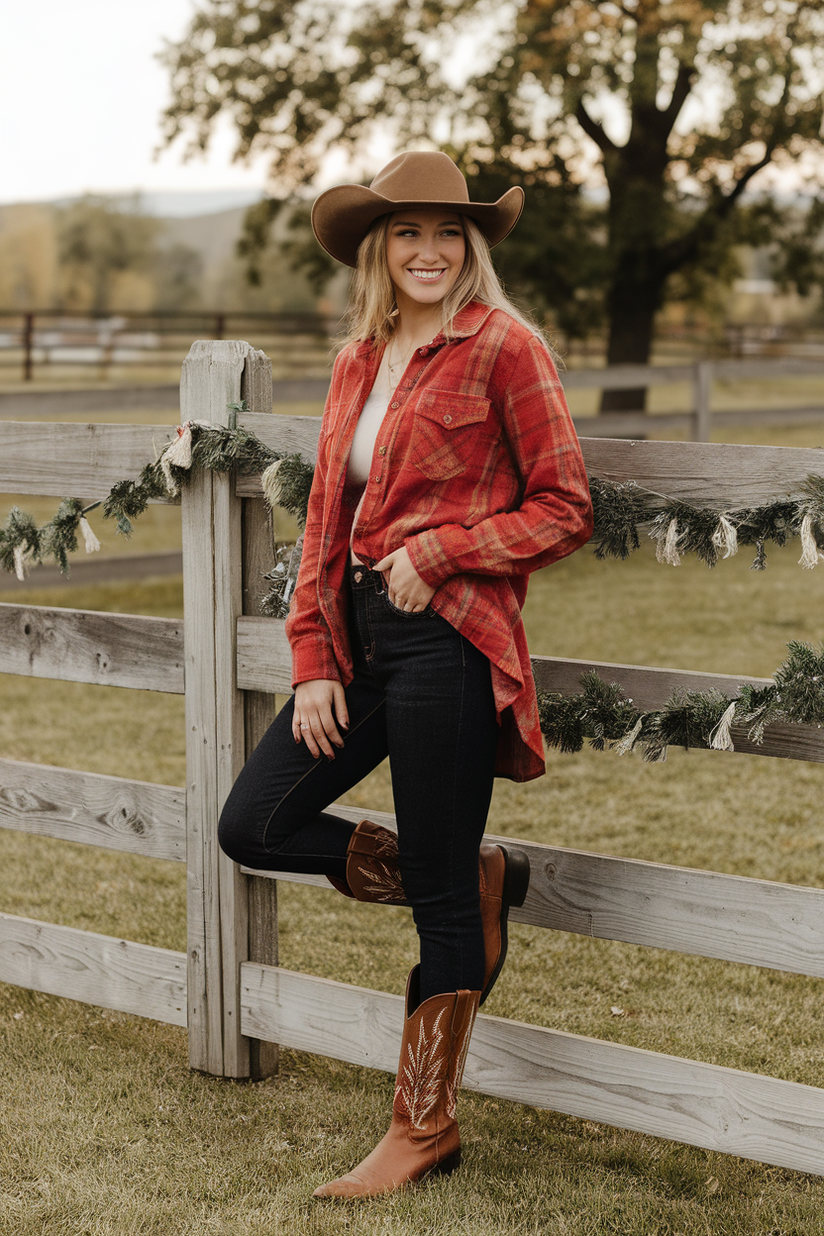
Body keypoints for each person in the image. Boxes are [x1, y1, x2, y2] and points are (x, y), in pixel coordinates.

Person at [218, 150, 593, 1198]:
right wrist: (312, 662)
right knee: (254, 824)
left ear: (468, 245)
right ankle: (473, 881)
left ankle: (423, 1124)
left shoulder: (506, 349)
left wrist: (442, 551)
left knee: (431, 886)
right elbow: (323, 527)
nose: (427, 252)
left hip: (447, 643)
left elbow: (564, 506)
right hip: (357, 647)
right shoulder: (357, 359)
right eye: (405, 234)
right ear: (379, 251)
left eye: (444, 233)